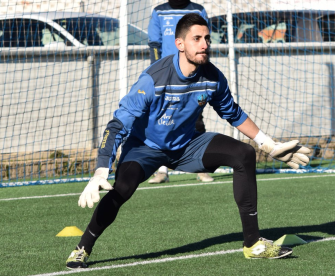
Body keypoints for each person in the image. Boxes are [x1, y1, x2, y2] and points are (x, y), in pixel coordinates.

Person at [66, 13, 311, 269]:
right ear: (180, 44)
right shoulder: (152, 79)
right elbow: (117, 124)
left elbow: (233, 113)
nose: (204, 44)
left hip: (186, 146)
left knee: (244, 154)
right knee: (122, 189)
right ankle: (82, 247)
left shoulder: (213, 77)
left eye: (207, 38)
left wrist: (267, 144)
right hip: (144, 148)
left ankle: (253, 244)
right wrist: (100, 170)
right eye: (196, 38)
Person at [147, 0, 213, 183]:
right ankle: (161, 171)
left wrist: (203, 69)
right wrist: (158, 72)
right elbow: (154, 44)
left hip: (193, 76)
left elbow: (206, 41)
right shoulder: (159, 12)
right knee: (163, 122)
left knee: (196, 120)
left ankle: (201, 167)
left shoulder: (198, 10)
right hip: (167, 76)